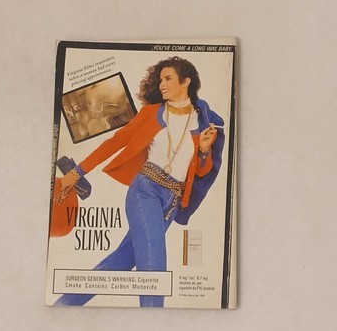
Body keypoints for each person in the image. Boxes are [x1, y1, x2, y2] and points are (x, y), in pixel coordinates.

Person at [55, 56, 225, 307]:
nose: (162, 84)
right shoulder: (151, 114)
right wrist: (77, 173)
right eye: (160, 79)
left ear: (186, 81)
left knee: (121, 262)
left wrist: (203, 150)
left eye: (168, 78)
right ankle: (154, 325)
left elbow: (203, 171)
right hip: (146, 190)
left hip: (172, 203)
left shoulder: (205, 123)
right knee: (154, 268)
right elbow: (114, 143)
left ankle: (63, 305)